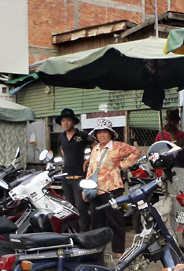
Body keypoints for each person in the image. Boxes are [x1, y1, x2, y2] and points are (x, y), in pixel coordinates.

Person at [83, 118, 141, 255]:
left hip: (112, 188)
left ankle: (119, 251)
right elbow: (90, 170)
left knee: (115, 220)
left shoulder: (118, 146)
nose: (101, 134)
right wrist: (85, 188)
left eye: (104, 132)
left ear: (110, 133)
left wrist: (123, 165)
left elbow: (136, 152)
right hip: (95, 189)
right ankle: (96, 251)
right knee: (96, 222)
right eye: (99, 132)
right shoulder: (95, 149)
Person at [55, 108, 93, 232]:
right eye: (63, 120)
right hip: (66, 177)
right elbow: (63, 150)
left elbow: (97, 147)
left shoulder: (82, 136)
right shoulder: (61, 137)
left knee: (81, 207)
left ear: (74, 122)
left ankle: (86, 232)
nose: (66, 123)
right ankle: (74, 232)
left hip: (79, 177)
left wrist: (88, 161)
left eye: (69, 120)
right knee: (70, 208)